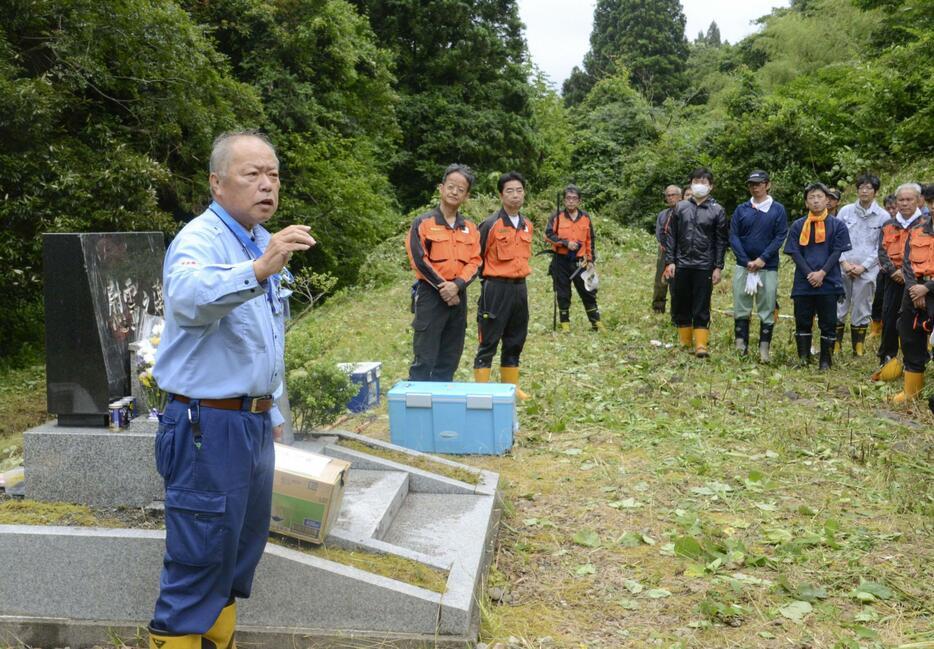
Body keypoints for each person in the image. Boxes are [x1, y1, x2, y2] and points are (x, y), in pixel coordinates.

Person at [149, 131, 316, 648]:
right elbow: (187, 297)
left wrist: (274, 410)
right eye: (253, 174)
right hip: (207, 424)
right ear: (217, 184)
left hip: (249, 421)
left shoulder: (256, 239)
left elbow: (264, 338)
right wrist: (258, 269)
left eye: (274, 174)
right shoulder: (200, 239)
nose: (267, 185)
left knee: (236, 555)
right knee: (199, 557)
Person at [406, 164, 482, 381]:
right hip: (430, 295)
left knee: (450, 356)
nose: (454, 191)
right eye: (451, 186)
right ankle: (418, 409)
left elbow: (476, 261)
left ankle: (442, 408)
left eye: (461, 189)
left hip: (459, 297)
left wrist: (456, 286)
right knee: (424, 356)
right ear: (441, 188)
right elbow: (419, 260)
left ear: (466, 196)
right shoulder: (422, 222)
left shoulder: (470, 228)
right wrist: (444, 287)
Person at [473, 171, 533, 399]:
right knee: (489, 339)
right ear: (501, 195)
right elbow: (476, 258)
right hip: (496, 288)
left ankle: (512, 387)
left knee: (516, 338)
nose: (515, 195)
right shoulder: (490, 224)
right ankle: (482, 390)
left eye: (519, 190)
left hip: (519, 288)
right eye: (510, 191)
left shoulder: (527, 225)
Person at [783, 182, 852, 369]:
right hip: (803, 281)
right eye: (811, 197)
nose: (815, 201)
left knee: (828, 322)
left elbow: (837, 252)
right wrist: (810, 274)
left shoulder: (837, 225)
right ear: (806, 202)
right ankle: (804, 359)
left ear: (827, 201)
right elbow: (794, 252)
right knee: (803, 319)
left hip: (828, 280)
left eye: (819, 197)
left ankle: (825, 361)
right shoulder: (798, 226)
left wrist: (822, 273)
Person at [662, 167, 727, 357]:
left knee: (701, 304)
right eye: (696, 181)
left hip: (704, 265)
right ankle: (684, 341)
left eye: (704, 182)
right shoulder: (680, 207)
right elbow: (671, 236)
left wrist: (718, 266)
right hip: (681, 263)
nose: (700, 185)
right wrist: (670, 261)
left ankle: (701, 345)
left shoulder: (717, 211)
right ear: (691, 184)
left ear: (711, 186)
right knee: (681, 302)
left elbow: (721, 241)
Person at [729, 170, 788, 363]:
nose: (755, 187)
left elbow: (780, 236)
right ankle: (741, 347)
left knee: (767, 306)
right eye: (752, 184)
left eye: (759, 183)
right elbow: (734, 236)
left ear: (767, 185)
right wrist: (745, 260)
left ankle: (764, 351)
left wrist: (762, 258)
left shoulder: (777, 209)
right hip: (743, 265)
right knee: (741, 305)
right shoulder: (741, 209)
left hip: (767, 266)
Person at [872, 183, 925, 382]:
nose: (904, 204)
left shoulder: (926, 223)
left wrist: (908, 274)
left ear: (918, 200)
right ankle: (887, 357)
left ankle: (917, 364)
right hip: (892, 280)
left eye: (909, 199)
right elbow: (881, 251)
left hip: (918, 282)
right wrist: (894, 271)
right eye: (900, 200)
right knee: (889, 316)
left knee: (916, 322)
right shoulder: (888, 225)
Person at [834, 174, 888, 356]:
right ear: (857, 190)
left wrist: (863, 266)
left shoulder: (883, 216)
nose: (864, 191)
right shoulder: (845, 211)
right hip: (843, 266)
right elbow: (836, 239)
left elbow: (881, 246)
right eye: (861, 187)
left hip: (867, 270)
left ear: (876, 192)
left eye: (869, 188)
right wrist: (844, 262)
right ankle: (836, 344)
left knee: (862, 306)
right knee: (840, 304)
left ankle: (858, 345)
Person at [893, 188, 934, 402]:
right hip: (914, 290)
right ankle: (912, 391)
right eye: (931, 201)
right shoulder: (918, 230)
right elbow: (907, 262)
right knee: (908, 335)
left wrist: (928, 288)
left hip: (931, 289)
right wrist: (913, 288)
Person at [546, 185, 602, 331]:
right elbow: (548, 235)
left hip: (580, 261)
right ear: (564, 200)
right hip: (560, 261)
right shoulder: (556, 216)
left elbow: (590, 239)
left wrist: (590, 259)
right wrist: (565, 243)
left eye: (574, 198)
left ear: (579, 200)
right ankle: (565, 324)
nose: (571, 201)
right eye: (568, 198)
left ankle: (596, 322)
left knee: (588, 291)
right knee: (563, 293)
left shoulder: (585, 217)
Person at [869, 194, 899, 338]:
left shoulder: (912, 225)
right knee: (880, 299)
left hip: (904, 270)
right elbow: (881, 248)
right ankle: (876, 327)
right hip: (886, 269)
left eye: (894, 208)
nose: (892, 211)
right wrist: (887, 266)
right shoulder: (886, 225)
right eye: (889, 208)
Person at [652, 185, 682, 314]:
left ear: (680, 196)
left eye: (673, 195)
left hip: (679, 253)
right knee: (660, 281)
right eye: (668, 195)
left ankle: (677, 311)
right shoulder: (663, 214)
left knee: (677, 284)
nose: (670, 198)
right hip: (664, 251)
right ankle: (658, 308)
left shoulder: (684, 212)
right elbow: (659, 232)